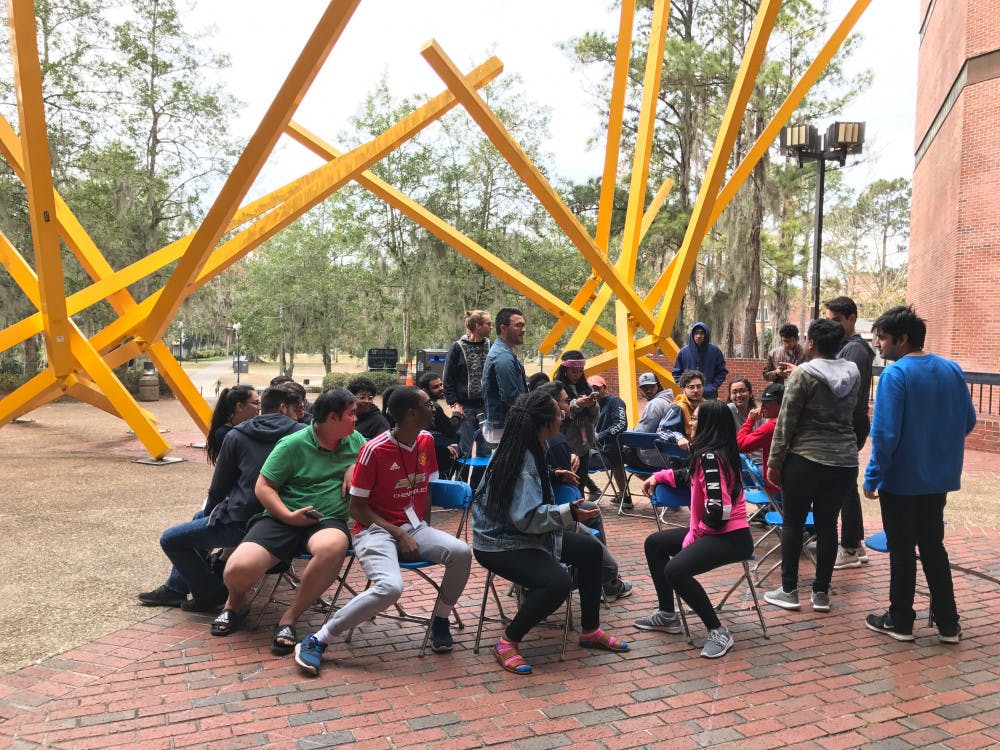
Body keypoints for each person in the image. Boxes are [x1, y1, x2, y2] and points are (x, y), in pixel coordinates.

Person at [295, 387, 473, 675]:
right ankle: (318, 639)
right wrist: (398, 533)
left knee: (461, 552)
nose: (435, 408)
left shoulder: (426, 441)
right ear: (411, 414)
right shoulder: (374, 450)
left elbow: (425, 491)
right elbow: (357, 509)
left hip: (413, 526)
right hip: (372, 529)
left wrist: (419, 528)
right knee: (390, 587)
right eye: (429, 404)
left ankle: (440, 618)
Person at [472, 390, 629, 675]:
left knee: (590, 550)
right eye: (559, 411)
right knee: (556, 581)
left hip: (521, 535)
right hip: (501, 543)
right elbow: (527, 517)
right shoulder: (523, 460)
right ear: (544, 422)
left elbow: (524, 497)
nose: (564, 413)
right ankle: (508, 642)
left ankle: (590, 630)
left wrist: (552, 474)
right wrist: (570, 512)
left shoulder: (527, 445)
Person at [210, 388, 364, 653]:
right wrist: (286, 516)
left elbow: (378, 451)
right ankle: (233, 604)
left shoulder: (356, 441)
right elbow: (264, 487)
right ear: (332, 417)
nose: (356, 420)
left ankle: (290, 617)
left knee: (332, 547)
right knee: (237, 568)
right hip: (282, 517)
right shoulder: (293, 443)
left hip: (326, 520)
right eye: (351, 414)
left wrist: (357, 464)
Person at [863, 306, 975, 644]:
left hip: (901, 480)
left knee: (901, 550)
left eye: (882, 338)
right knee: (932, 547)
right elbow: (967, 420)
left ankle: (901, 620)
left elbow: (884, 434)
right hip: (938, 479)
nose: (878, 345)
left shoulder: (895, 376)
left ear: (902, 338)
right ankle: (948, 623)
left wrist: (871, 477)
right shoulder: (952, 370)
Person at [137, 385, 302, 610]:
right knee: (198, 520)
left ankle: (210, 592)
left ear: (264, 407)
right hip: (284, 519)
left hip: (245, 522)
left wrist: (213, 516)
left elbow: (218, 488)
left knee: (170, 539)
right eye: (298, 408)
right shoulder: (304, 434)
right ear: (284, 408)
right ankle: (176, 588)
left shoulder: (238, 434)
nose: (301, 413)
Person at [636, 400, 753, 658]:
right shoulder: (709, 453)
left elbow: (719, 511)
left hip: (730, 537)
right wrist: (659, 476)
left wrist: (693, 538)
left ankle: (718, 631)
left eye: (696, 419)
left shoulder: (711, 456)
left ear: (710, 425)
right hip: (716, 532)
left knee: (675, 570)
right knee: (655, 544)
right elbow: (688, 476)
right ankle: (667, 614)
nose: (691, 423)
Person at [763, 319, 859, 613]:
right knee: (828, 525)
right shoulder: (853, 373)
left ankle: (789, 590)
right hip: (843, 460)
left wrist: (774, 461)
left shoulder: (803, 374)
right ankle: (821, 594)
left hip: (805, 459)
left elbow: (787, 420)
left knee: (793, 522)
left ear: (812, 344)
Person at [537, 381, 633, 602]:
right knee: (606, 565)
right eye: (563, 402)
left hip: (545, 515)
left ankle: (605, 585)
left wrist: (554, 473)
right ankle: (548, 586)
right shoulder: (555, 442)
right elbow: (564, 496)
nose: (568, 408)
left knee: (592, 509)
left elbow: (538, 474)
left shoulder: (541, 440)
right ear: (551, 410)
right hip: (546, 522)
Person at [823, 296, 876, 571]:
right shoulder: (845, 348)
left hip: (849, 423)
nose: (832, 326)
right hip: (847, 423)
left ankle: (851, 547)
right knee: (845, 484)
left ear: (852, 319)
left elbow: (846, 393)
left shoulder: (855, 351)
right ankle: (855, 543)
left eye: (836, 321)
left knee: (843, 485)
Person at [442, 309, 492, 467]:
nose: (491, 327)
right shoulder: (457, 347)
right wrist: (454, 404)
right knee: (463, 451)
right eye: (488, 324)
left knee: (485, 450)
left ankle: (478, 489)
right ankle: (460, 486)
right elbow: (448, 379)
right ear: (478, 326)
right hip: (465, 408)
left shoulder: (490, 345)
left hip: (486, 407)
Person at [554, 351, 600, 497]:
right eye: (574, 371)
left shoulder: (586, 386)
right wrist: (576, 405)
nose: (577, 375)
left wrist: (592, 405)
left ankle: (579, 511)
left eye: (580, 371)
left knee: (581, 481)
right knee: (567, 482)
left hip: (584, 443)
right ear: (565, 370)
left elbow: (595, 417)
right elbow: (559, 413)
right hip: (565, 441)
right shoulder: (557, 388)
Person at [481, 307, 528, 445]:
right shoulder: (503, 357)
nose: (523, 330)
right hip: (504, 427)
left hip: (504, 425)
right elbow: (511, 396)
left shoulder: (504, 352)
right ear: (503, 328)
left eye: (523, 325)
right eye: (518, 325)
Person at [735, 383, 783, 496]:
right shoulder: (795, 419)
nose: (762, 407)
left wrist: (750, 421)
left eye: (768, 402)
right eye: (763, 402)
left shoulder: (774, 425)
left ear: (782, 404)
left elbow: (740, 445)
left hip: (777, 486)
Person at [590, 375, 630, 504]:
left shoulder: (615, 402)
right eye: (591, 389)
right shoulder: (589, 404)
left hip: (608, 452)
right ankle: (593, 490)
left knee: (575, 460)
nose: (594, 392)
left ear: (604, 388)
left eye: (597, 388)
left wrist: (600, 436)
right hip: (595, 449)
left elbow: (621, 424)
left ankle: (592, 491)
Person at [418, 371, 461, 476]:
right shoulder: (433, 407)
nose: (441, 388)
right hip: (435, 457)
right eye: (435, 387)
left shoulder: (419, 403)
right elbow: (450, 429)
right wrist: (457, 413)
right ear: (425, 390)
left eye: (441, 384)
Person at [206, 384, 260, 465]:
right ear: (240, 406)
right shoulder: (224, 434)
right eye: (256, 403)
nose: (259, 408)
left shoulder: (251, 427)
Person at [672, 323, 728, 400]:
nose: (699, 336)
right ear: (692, 334)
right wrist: (685, 386)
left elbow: (722, 372)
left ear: (706, 335)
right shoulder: (683, 352)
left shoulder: (715, 351)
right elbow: (676, 372)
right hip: (688, 396)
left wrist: (712, 386)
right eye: (696, 333)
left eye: (702, 333)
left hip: (709, 396)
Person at [657, 370, 705, 450]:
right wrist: (679, 438)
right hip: (683, 455)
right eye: (691, 387)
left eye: (699, 386)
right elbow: (661, 431)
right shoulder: (677, 408)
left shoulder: (706, 406)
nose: (696, 390)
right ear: (683, 389)